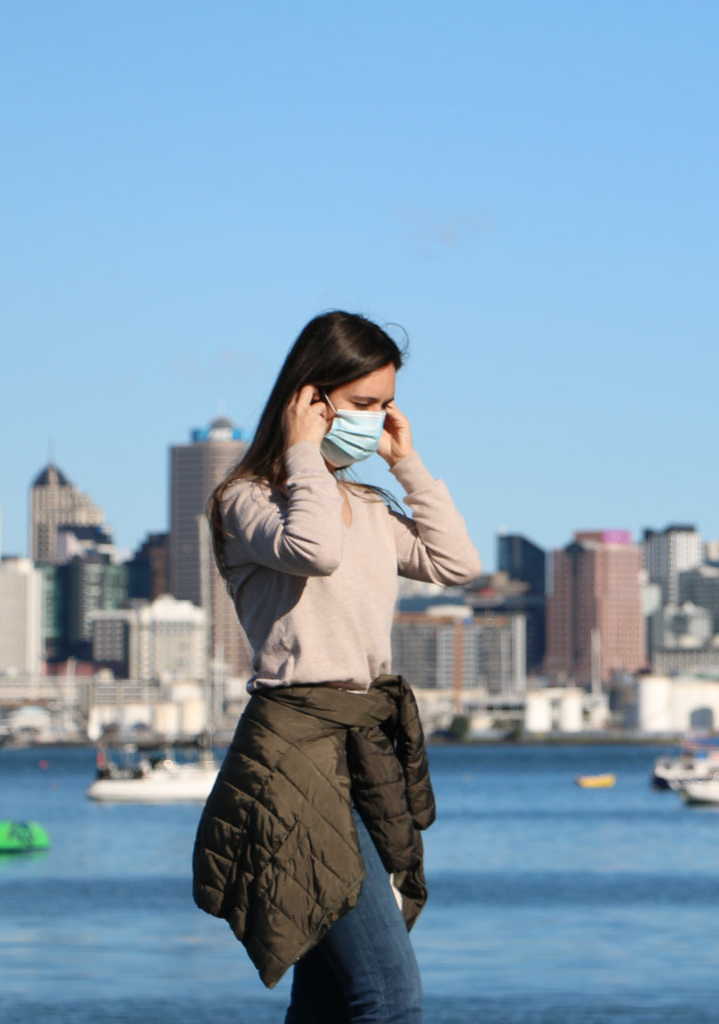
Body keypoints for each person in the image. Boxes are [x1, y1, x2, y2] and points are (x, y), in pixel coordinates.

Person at [191, 310, 482, 1023]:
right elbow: (314, 549)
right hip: (295, 755)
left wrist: (405, 464)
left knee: (327, 997)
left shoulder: (365, 503)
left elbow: (457, 563)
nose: (376, 419)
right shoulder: (248, 502)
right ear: (308, 400)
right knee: (388, 995)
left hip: (363, 750)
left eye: (385, 404)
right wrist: (299, 454)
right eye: (360, 405)